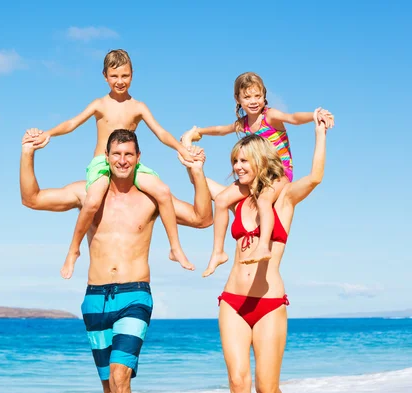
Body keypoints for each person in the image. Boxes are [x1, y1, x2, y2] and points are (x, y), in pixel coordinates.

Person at [20, 129, 211, 393]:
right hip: (95, 299)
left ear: (138, 157)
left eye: (129, 155)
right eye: (117, 154)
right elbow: (32, 199)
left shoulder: (152, 198)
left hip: (134, 296)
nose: (123, 160)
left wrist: (197, 173)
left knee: (120, 376)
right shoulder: (87, 193)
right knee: (109, 386)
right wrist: (28, 153)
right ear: (106, 157)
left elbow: (202, 218)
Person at [28, 49, 196, 279]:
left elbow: (160, 132)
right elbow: (72, 123)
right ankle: (73, 250)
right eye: (114, 76)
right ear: (105, 76)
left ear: (132, 75)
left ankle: (175, 248)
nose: (120, 81)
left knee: (163, 192)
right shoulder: (100, 104)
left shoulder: (138, 106)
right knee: (93, 200)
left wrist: (181, 148)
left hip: (129, 162)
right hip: (103, 163)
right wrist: (49, 133)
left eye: (125, 76)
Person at [202, 109, 332, 393]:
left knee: (266, 387)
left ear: (260, 161)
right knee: (238, 383)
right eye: (234, 161)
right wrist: (193, 166)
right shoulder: (238, 199)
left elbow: (315, 178)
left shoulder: (282, 199)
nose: (237, 166)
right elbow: (209, 190)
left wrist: (319, 134)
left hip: (268, 303)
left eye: (243, 160)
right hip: (232, 301)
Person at [181, 72, 334, 271]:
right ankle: (218, 252)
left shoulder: (270, 116)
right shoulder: (243, 124)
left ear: (264, 96)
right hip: (255, 176)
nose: (253, 101)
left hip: (278, 174)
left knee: (263, 200)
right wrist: (198, 132)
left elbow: (293, 118)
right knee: (221, 200)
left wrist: (315, 115)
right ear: (238, 99)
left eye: (257, 96)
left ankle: (263, 246)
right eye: (247, 97)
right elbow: (221, 129)